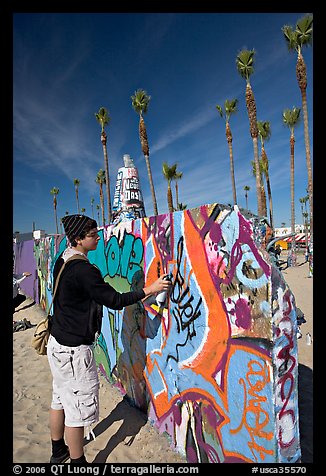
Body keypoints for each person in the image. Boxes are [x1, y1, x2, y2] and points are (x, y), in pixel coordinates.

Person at [47, 214, 172, 464]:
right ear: (79, 238)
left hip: (58, 345)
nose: (98, 238)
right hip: (73, 353)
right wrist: (151, 289)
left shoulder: (63, 260)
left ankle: (58, 450)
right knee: (77, 414)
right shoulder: (83, 270)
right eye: (93, 234)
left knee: (60, 399)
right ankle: (78, 463)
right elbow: (114, 300)